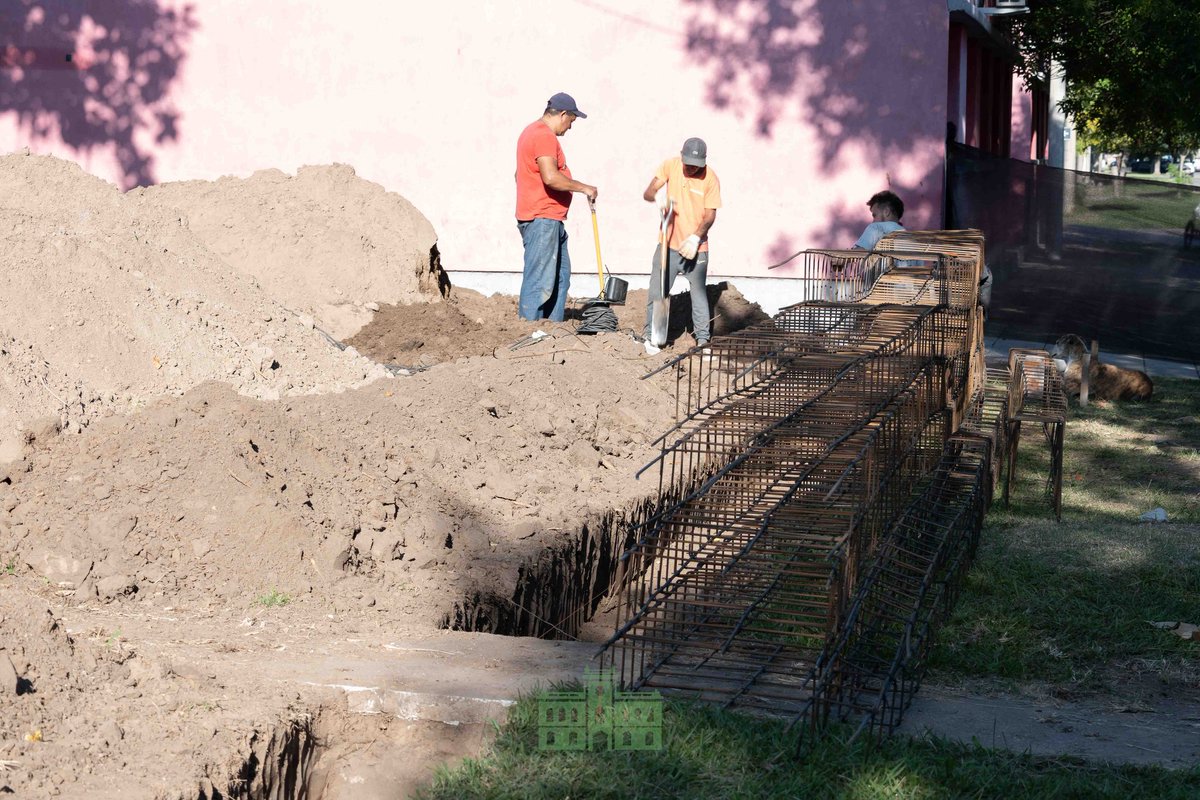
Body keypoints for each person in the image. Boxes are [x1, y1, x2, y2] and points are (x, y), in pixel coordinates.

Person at [514, 92, 598, 321]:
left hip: (547, 218)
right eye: (571, 120)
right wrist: (584, 188)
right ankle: (531, 329)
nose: (570, 127)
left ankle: (551, 328)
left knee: (560, 277)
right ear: (562, 114)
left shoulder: (531, 132)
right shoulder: (543, 136)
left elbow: (519, 175)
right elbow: (550, 177)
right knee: (540, 281)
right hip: (543, 219)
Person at [642, 137, 721, 351]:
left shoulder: (710, 178)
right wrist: (656, 198)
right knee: (658, 292)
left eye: (697, 166)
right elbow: (648, 192)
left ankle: (703, 340)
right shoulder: (671, 166)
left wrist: (696, 238)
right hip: (667, 245)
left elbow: (710, 215)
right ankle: (653, 337)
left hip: (696, 249)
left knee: (699, 295)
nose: (693, 169)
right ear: (681, 157)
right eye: (689, 164)